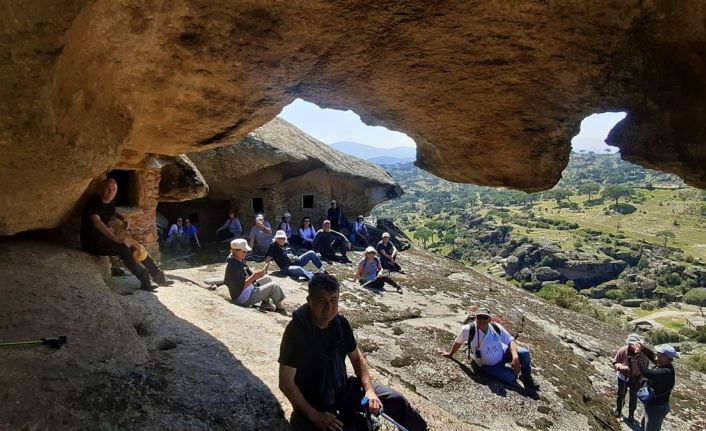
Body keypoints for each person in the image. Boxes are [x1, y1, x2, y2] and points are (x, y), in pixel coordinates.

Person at [278, 273, 427, 431]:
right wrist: (315, 415)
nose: (329, 308)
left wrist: (369, 391)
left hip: (341, 387)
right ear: (309, 301)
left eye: (333, 300)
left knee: (395, 400)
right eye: (322, 301)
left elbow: (357, 359)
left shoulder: (340, 325)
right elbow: (286, 383)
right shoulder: (297, 331)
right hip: (314, 400)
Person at [81, 178, 172, 291]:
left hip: (103, 239)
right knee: (124, 249)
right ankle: (145, 280)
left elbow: (112, 210)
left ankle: (158, 276)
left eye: (114, 190)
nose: (111, 192)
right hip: (92, 242)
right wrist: (115, 239)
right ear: (101, 189)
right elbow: (97, 222)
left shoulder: (110, 201)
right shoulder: (93, 203)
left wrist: (122, 217)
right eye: (108, 189)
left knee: (137, 246)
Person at [439, 308, 539, 390]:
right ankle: (512, 373)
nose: (482, 320)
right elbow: (458, 342)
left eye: (485, 318)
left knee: (524, 353)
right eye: (479, 317)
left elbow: (510, 341)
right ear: (475, 318)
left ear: (489, 319)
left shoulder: (496, 327)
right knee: (511, 379)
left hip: (503, 353)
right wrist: (450, 354)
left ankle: (526, 377)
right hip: (489, 365)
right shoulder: (468, 330)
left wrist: (515, 357)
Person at [224, 238, 287, 316]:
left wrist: (258, 275)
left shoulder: (236, 260)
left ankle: (265, 303)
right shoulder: (234, 266)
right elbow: (240, 287)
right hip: (243, 298)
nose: (246, 253)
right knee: (274, 286)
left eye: (246, 251)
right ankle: (279, 308)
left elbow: (245, 276)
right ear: (235, 251)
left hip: (245, 291)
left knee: (267, 278)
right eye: (244, 251)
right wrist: (254, 277)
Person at [634, 343, 677, 431]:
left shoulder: (666, 372)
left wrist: (638, 353)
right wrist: (643, 349)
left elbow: (646, 372)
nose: (656, 353)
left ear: (665, 357)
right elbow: (653, 356)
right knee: (644, 425)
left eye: (659, 353)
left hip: (657, 408)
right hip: (652, 404)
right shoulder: (663, 364)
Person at [611, 333, 645, 424]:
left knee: (633, 398)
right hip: (623, 377)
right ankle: (618, 410)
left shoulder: (642, 353)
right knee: (621, 395)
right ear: (630, 344)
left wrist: (641, 377)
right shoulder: (623, 350)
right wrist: (620, 367)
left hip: (636, 379)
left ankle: (631, 415)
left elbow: (645, 367)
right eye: (634, 345)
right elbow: (615, 362)